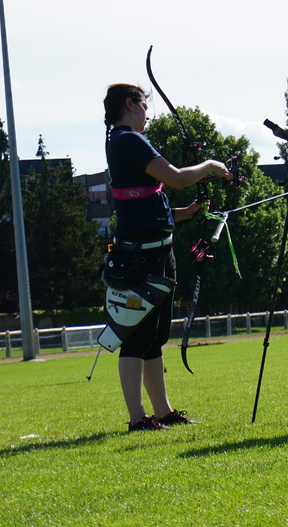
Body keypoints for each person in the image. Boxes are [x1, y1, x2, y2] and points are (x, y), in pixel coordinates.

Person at [102, 83, 231, 432]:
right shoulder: (127, 140)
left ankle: (162, 412)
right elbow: (175, 178)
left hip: (156, 250)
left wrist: (187, 213)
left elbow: (143, 203)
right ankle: (137, 418)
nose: (148, 114)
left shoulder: (123, 141)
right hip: (141, 256)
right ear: (130, 104)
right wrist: (210, 166)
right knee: (136, 335)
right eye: (145, 105)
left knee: (155, 336)